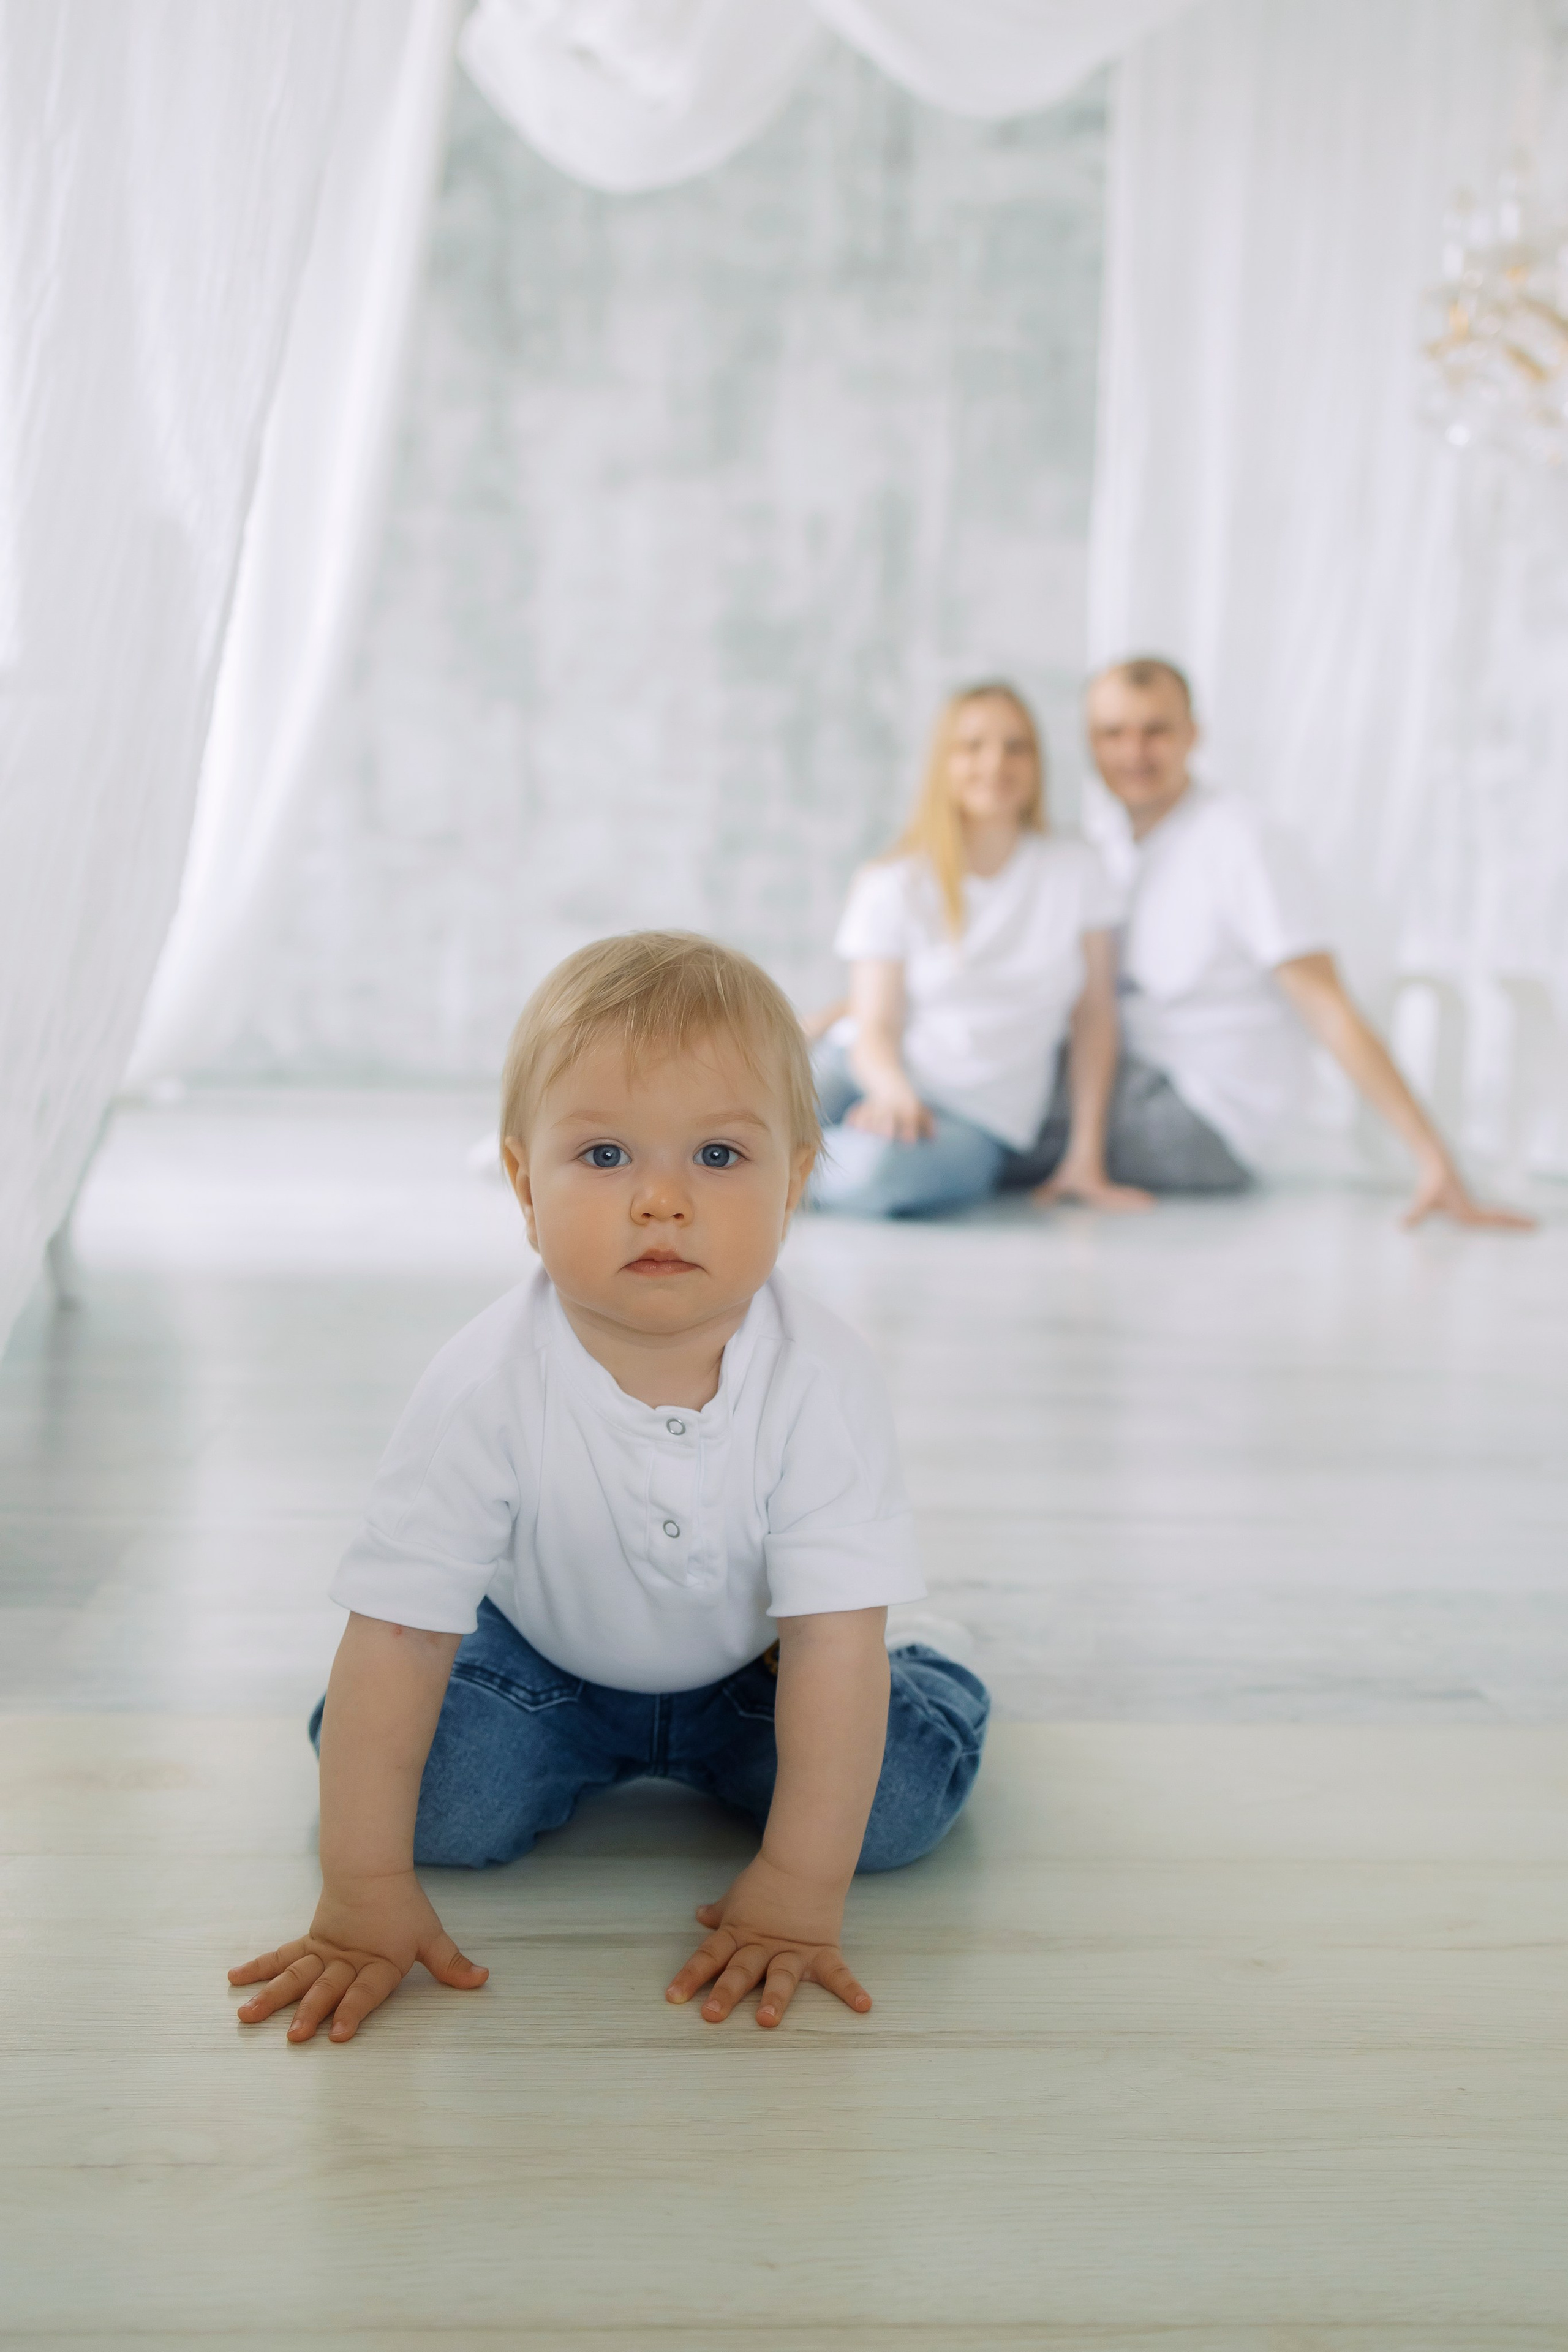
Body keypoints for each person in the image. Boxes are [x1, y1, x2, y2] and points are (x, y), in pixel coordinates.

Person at [229, 932, 989, 2043]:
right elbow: (397, 1632)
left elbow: (828, 1644)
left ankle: (935, 1666)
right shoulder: (482, 1382)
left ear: (797, 1185)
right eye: (605, 1157)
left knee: (892, 1812)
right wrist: (360, 1893)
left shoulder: (821, 1378)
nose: (663, 1203)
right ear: (524, 1184)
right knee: (440, 1809)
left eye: (720, 1158)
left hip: (764, 1663)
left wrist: (797, 1883)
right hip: (549, 1663)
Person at [1038, 656, 1529, 1227]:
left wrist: (1433, 1158)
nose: (1134, 753)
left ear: (1194, 735)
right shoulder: (1108, 848)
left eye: (1157, 731)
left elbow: (1326, 1004)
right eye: (1113, 734)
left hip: (1202, 1117)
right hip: (1143, 1084)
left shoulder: (1242, 842)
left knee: (998, 1102)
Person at [813, 680, 1152, 1218]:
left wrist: (1085, 1156)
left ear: (1037, 763)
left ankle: (760, 1183)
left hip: (977, 1116)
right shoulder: (894, 881)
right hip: (864, 1072)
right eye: (972, 746)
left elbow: (1095, 1017)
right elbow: (875, 1025)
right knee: (735, 1115)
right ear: (944, 764)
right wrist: (893, 1091)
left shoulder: (1076, 869)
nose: (996, 763)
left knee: (880, 1176)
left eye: (1016, 746)